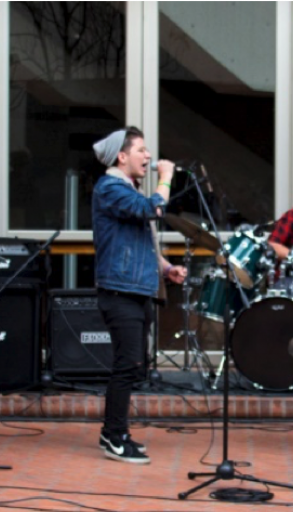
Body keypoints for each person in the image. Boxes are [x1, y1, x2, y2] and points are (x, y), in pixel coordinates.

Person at [92, 126, 186, 464]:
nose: (148, 156)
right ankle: (113, 437)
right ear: (122, 156)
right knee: (126, 364)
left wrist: (165, 269)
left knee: (134, 364)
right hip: (120, 292)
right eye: (141, 150)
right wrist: (167, 177)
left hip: (136, 290)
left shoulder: (125, 189)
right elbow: (153, 209)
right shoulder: (110, 187)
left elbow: (140, 243)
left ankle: (116, 431)